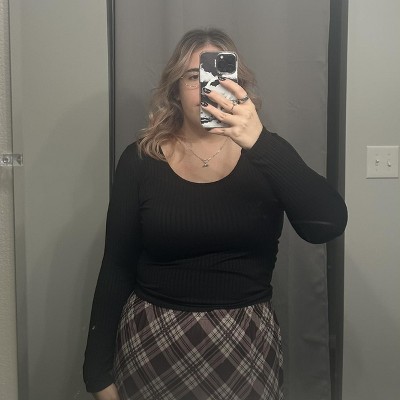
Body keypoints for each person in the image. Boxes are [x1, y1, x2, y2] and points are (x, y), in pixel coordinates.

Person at [83, 28, 347, 400]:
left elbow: (327, 225)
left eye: (219, 74)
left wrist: (261, 142)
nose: (208, 87)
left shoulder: (266, 154)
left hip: (245, 342)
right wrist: (96, 372)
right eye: (193, 76)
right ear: (175, 90)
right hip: (152, 340)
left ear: (238, 85)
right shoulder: (141, 159)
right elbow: (117, 264)